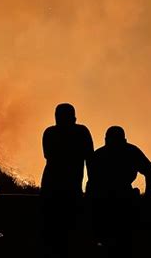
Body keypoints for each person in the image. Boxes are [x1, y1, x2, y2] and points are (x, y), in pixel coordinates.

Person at [87, 125, 151, 258]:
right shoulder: (129, 151)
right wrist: (148, 196)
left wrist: (148, 195)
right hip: (108, 204)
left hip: (115, 203)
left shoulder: (101, 154)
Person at [40, 103, 94, 258]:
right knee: (69, 232)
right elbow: (89, 159)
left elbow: (49, 156)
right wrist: (91, 185)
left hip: (52, 187)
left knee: (53, 232)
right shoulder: (81, 132)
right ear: (74, 118)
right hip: (69, 188)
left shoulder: (50, 133)